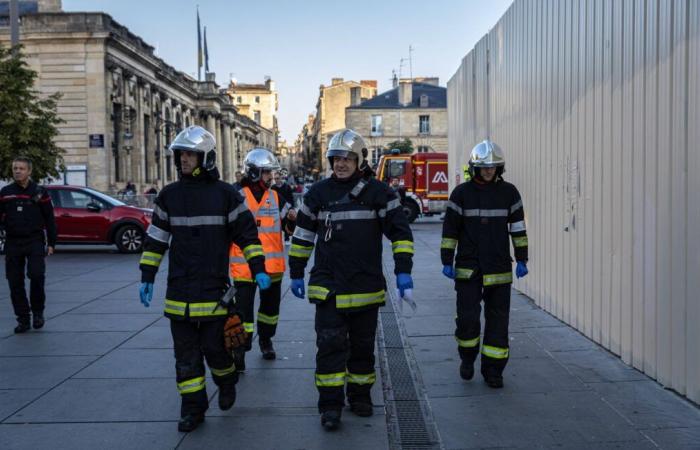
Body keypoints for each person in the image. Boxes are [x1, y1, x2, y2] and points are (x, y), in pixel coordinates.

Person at [137, 126, 272, 432]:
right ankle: (192, 409)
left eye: (190, 154)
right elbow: (156, 240)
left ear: (206, 158)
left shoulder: (225, 195)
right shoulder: (169, 196)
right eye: (181, 154)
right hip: (179, 292)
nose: (184, 159)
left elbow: (248, 236)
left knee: (216, 349)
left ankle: (226, 381)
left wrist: (259, 268)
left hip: (213, 290)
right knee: (185, 357)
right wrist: (147, 275)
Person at [289, 129, 414, 431]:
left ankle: (360, 397)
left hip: (364, 287)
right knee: (329, 347)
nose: (341, 164)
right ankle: (330, 407)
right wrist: (295, 271)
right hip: (328, 285)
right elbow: (303, 236)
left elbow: (400, 234)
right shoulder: (317, 194)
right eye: (336, 159)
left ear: (359, 160)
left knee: (361, 348)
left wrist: (403, 270)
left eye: (347, 158)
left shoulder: (379, 193)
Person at [440, 140, 529, 389]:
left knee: (498, 323)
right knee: (468, 320)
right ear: (474, 168)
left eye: (493, 167)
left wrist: (522, 257)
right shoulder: (461, 194)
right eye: (484, 167)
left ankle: (493, 371)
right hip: (469, 269)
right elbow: (450, 231)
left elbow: (518, 229)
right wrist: (446, 260)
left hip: (499, 268)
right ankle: (467, 359)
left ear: (499, 168)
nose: (489, 171)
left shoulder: (509, 193)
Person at [229, 148, 295, 370]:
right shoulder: (236, 196)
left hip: (272, 267)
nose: (271, 177)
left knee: (269, 310)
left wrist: (293, 221)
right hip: (244, 267)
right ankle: (241, 347)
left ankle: (266, 340)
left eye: (272, 173)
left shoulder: (277, 196)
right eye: (267, 172)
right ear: (254, 172)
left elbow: (290, 225)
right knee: (243, 313)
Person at [0, 157, 57, 333]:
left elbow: (49, 218)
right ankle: (23, 319)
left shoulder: (40, 192)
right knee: (15, 282)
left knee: (37, 275)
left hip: (34, 240)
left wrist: (52, 243)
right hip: (13, 242)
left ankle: (38, 312)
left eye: (21, 168)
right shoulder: (6, 192)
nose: (17, 171)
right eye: (15, 168)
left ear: (29, 171)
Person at [272, 170, 297, 242]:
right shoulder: (273, 188)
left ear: (281, 178)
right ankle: (277, 238)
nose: (276, 180)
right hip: (276, 209)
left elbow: (291, 197)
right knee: (277, 224)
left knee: (286, 222)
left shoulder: (287, 187)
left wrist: (291, 207)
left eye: (278, 178)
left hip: (286, 208)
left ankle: (287, 238)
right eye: (275, 178)